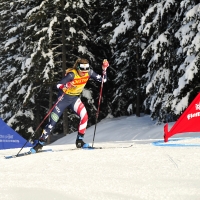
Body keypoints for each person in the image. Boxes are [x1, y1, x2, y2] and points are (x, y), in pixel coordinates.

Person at [30, 58, 109, 153]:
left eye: (86, 70)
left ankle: (79, 141)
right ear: (78, 68)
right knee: (52, 122)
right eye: (82, 70)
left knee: (84, 116)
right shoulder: (72, 75)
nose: (84, 72)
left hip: (74, 99)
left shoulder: (89, 73)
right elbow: (57, 85)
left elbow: (103, 80)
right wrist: (66, 85)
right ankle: (40, 144)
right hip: (63, 100)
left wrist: (104, 69)